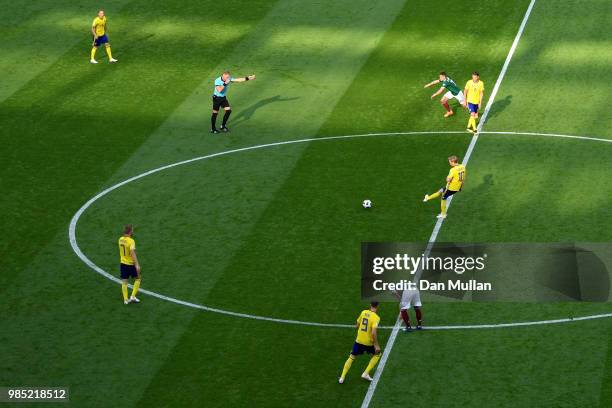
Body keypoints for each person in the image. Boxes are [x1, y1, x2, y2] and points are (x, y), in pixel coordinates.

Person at [338, 301, 382, 384]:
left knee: (352, 356)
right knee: (378, 354)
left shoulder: (363, 312)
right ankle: (365, 373)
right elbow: (373, 332)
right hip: (368, 342)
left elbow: (357, 325)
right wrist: (376, 345)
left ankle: (342, 377)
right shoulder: (376, 317)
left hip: (358, 340)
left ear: (370, 305)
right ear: (378, 306)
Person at [118, 224, 141, 304]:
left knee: (124, 282)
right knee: (138, 279)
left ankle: (125, 299)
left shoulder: (120, 239)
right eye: (132, 230)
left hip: (123, 264)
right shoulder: (131, 241)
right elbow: (132, 253)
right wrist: (137, 264)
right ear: (130, 231)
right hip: (130, 264)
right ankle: (133, 296)